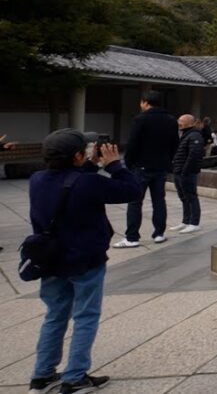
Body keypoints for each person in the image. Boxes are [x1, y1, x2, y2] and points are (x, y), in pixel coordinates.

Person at [26, 130, 140, 394]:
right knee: (86, 316)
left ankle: (42, 375)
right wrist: (114, 165)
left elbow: (70, 183)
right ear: (78, 155)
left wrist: (90, 164)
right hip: (85, 260)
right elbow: (133, 190)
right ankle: (74, 377)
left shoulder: (37, 179)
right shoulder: (88, 183)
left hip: (50, 260)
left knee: (54, 316)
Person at [115, 91, 178, 248]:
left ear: (145, 102)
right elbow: (174, 144)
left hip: (141, 166)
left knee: (135, 201)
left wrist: (129, 163)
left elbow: (133, 143)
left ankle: (132, 237)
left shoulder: (141, 119)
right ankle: (159, 233)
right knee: (159, 200)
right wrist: (168, 161)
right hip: (161, 166)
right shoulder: (171, 120)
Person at [171, 115, 204, 234]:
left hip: (187, 173)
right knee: (184, 198)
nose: (179, 123)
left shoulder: (194, 135)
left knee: (191, 197)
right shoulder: (184, 134)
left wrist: (185, 171)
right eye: (179, 120)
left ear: (190, 123)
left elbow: (194, 155)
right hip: (179, 172)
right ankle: (186, 221)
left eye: (181, 121)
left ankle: (194, 223)